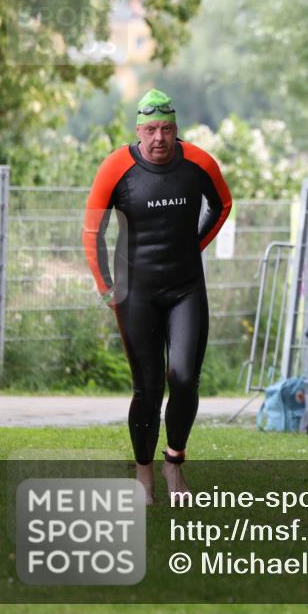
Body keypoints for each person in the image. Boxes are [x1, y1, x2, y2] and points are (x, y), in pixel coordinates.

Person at [81, 88, 232, 504]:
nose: (159, 137)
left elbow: (222, 205)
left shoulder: (199, 163)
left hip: (186, 288)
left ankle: (174, 461)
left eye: (166, 129)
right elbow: (92, 229)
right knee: (147, 388)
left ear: (176, 129)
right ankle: (143, 474)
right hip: (136, 292)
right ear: (139, 131)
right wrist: (105, 285)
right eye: (150, 129)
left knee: (183, 378)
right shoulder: (116, 166)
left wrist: (195, 245)